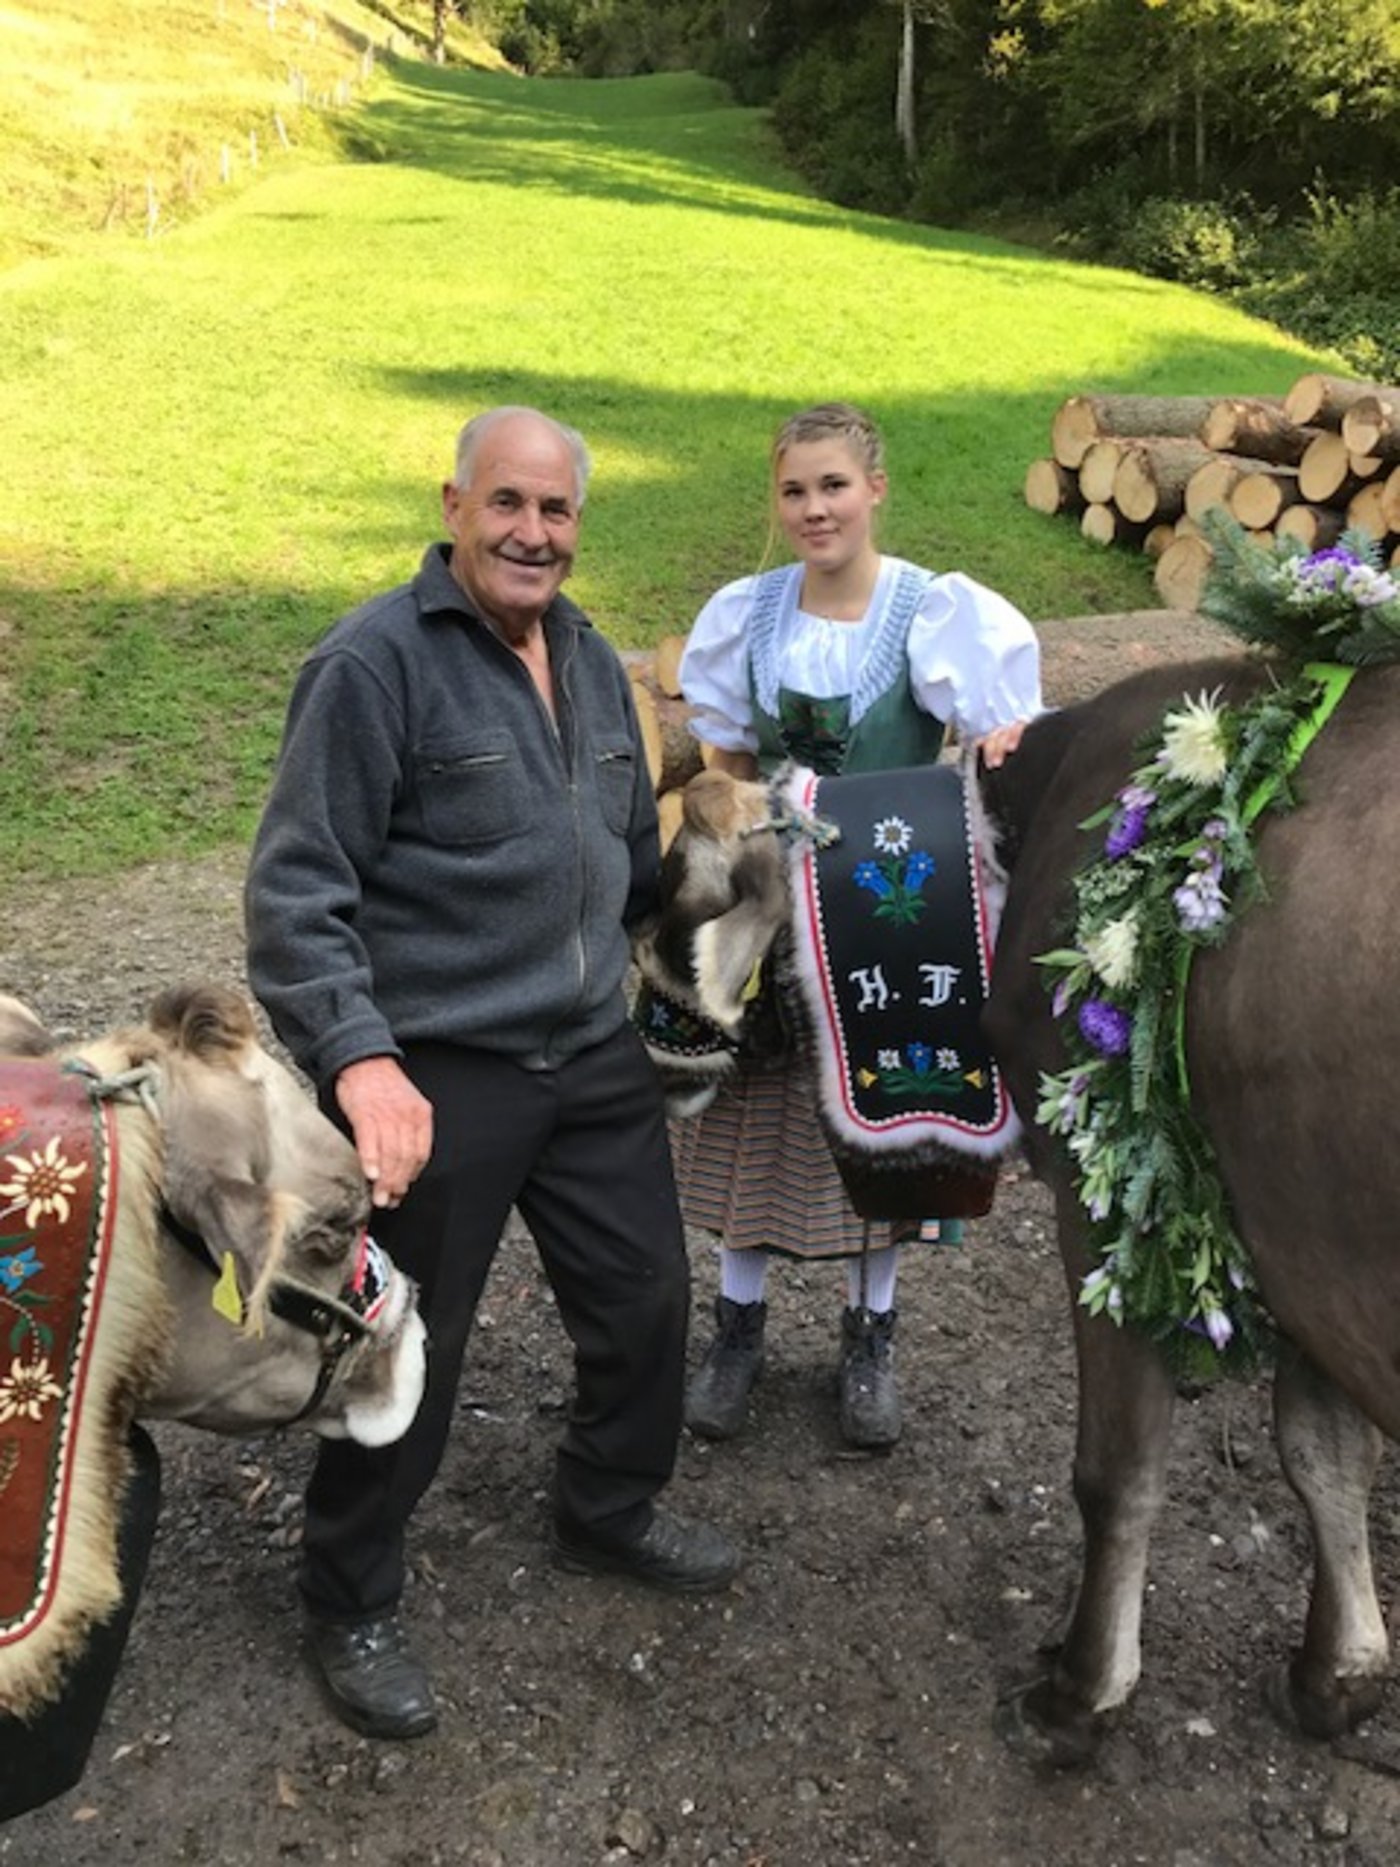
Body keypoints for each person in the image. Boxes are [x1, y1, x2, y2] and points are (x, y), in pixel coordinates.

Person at [245, 406, 739, 1744]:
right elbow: (298, 896)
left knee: (646, 1296)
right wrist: (363, 1063)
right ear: (457, 503)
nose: (533, 531)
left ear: (580, 524)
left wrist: (727, 874)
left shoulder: (587, 655)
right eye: (508, 503)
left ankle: (608, 1504)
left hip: (587, 1050)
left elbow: (623, 866)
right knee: (407, 1345)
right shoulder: (371, 664)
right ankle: (348, 1591)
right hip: (443, 1070)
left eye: (558, 510)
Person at [671, 401, 1041, 1450]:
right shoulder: (747, 612)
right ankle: (735, 1328)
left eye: (832, 485)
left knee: (880, 1115)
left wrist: (1003, 738)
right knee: (755, 1110)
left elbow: (995, 733)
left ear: (873, 488)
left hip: (887, 901)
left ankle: (868, 1333)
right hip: (764, 899)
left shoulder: (932, 612)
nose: (812, 507)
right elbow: (727, 762)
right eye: (793, 489)